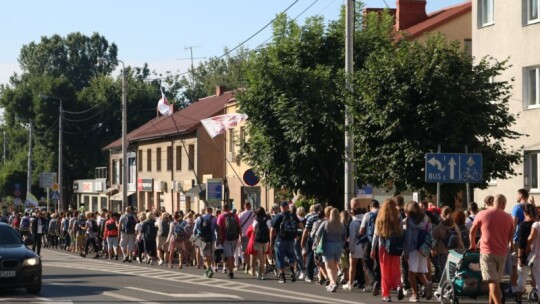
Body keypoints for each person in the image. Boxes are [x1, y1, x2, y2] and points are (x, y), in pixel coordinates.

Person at [469, 194, 514, 304]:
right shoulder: (509, 218)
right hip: (502, 254)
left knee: (492, 282)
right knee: (495, 282)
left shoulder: (482, 214)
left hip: (487, 252)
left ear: (494, 202)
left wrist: (472, 245)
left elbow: (472, 231)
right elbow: (510, 237)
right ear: (503, 203)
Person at [371, 198, 404, 302]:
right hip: (395, 247)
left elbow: (376, 235)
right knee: (396, 270)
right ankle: (399, 286)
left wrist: (372, 249)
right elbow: (402, 232)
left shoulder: (380, 217)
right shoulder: (398, 216)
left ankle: (386, 295)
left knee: (384, 272)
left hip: (383, 247)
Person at [403, 201, 432, 302]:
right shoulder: (426, 218)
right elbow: (430, 233)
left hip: (413, 248)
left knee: (411, 272)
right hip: (423, 248)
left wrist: (406, 251)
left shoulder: (410, 220)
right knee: (420, 271)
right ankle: (427, 285)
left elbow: (408, 237)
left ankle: (415, 295)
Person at [316, 207, 346, 292]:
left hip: (328, 245)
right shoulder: (341, 225)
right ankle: (331, 284)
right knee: (335, 267)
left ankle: (333, 282)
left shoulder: (326, 223)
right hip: (339, 246)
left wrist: (320, 242)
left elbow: (318, 234)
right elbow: (345, 237)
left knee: (328, 267)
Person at [432, 206, 464, 283]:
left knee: (444, 272)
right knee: (453, 271)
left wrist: (433, 250)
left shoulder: (439, 227)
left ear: (441, 215)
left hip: (442, 252)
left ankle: (445, 287)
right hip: (454, 252)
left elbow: (434, 241)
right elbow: (459, 239)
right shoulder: (455, 226)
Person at [270, 201, 299, 283]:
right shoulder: (292, 215)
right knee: (291, 256)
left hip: (280, 239)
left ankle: (282, 276)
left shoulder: (278, 216)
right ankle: (292, 271)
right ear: (287, 207)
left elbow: (272, 230)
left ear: (281, 207)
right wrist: (298, 234)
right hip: (291, 239)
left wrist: (271, 242)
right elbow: (300, 225)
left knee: (280, 257)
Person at [359, 199, 381, 294]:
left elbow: (361, 230)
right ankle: (379, 283)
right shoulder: (382, 214)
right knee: (378, 263)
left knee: (367, 262)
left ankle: (373, 281)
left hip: (369, 242)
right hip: (381, 242)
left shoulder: (367, 215)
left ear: (371, 207)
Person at [516, 204, 536, 302]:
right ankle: (535, 293)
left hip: (525, 253)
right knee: (536, 276)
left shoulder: (522, 225)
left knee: (522, 276)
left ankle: (519, 296)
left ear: (525, 213)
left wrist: (519, 257)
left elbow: (521, 243)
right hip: (536, 254)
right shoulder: (537, 224)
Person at [217, 204, 241, 279]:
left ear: (222, 209)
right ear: (229, 208)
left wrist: (219, 239)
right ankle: (231, 269)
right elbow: (239, 226)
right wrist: (239, 236)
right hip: (234, 238)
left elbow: (219, 229)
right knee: (232, 254)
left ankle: (231, 272)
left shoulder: (221, 216)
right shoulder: (235, 216)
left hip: (225, 238)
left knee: (229, 256)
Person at [301, 203, 323, 283]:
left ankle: (310, 276)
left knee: (310, 257)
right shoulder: (325, 218)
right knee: (322, 257)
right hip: (322, 239)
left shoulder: (310, 218)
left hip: (312, 239)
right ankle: (321, 276)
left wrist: (302, 242)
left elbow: (306, 230)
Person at [194, 207, 218, 278]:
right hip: (211, 239)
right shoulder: (214, 219)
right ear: (211, 211)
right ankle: (209, 269)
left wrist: (194, 240)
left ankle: (208, 269)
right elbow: (217, 229)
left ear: (205, 211)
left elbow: (194, 231)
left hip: (201, 239)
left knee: (204, 255)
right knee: (209, 255)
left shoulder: (199, 218)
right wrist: (218, 239)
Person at [249, 207, 271, 280]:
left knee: (260, 258)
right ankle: (260, 272)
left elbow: (254, 230)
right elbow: (269, 230)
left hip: (258, 240)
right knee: (263, 257)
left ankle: (262, 273)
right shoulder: (267, 220)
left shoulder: (256, 221)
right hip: (266, 240)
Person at [238, 202, 256, 273]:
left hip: (244, 234)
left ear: (244, 206)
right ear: (250, 206)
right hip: (252, 234)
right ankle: (250, 266)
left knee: (244, 251)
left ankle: (246, 264)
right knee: (251, 251)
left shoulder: (241, 214)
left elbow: (239, 226)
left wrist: (239, 236)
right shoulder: (254, 214)